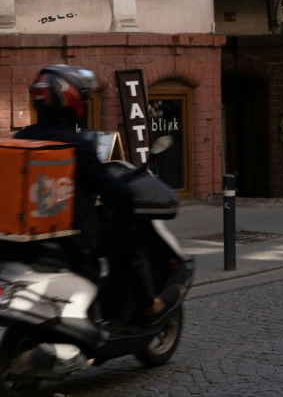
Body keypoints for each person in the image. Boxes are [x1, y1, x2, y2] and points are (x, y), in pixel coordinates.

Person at [16, 64, 180, 327]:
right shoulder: (77, 144)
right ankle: (149, 305)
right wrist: (127, 194)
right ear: (72, 104)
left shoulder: (21, 139)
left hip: (30, 232)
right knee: (129, 237)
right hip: (71, 236)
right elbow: (106, 186)